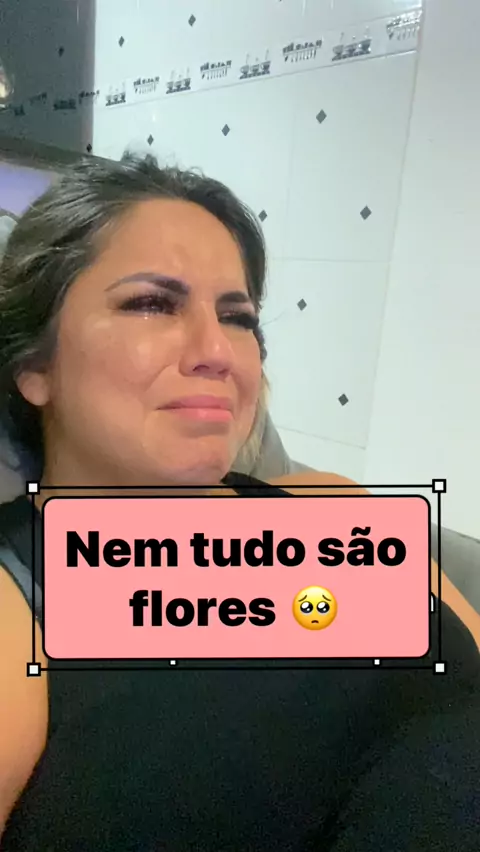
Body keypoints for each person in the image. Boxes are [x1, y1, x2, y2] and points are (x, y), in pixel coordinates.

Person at [0, 153, 478, 851]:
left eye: (238, 317)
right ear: (34, 367)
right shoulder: (19, 598)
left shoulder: (332, 506)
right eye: (152, 303)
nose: (216, 350)